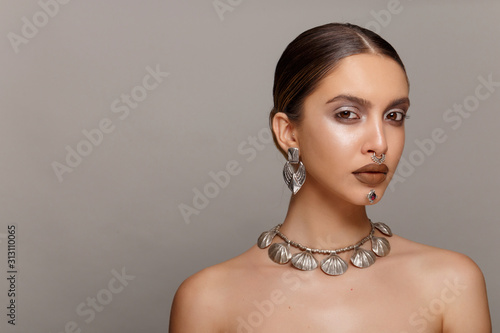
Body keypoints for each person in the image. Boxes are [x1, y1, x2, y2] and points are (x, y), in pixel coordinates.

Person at [169, 23, 491, 332]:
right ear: (288, 132)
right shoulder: (207, 301)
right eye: (347, 114)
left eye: (394, 116)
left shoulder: (453, 284)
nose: (380, 143)